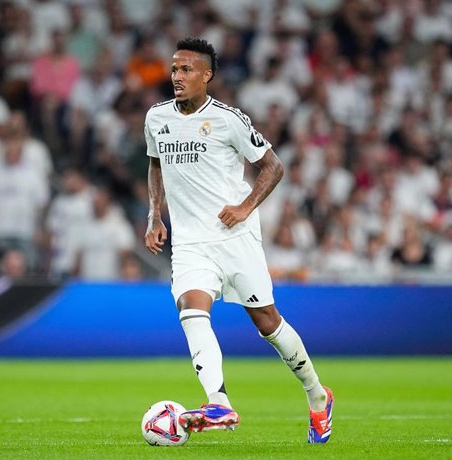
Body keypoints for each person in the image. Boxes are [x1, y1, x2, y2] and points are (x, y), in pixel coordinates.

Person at [144, 37, 333, 443]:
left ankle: (318, 396)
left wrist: (246, 206)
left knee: (267, 322)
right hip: (191, 242)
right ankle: (218, 401)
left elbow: (273, 166)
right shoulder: (156, 118)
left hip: (235, 236)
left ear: (207, 75)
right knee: (191, 311)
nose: (177, 76)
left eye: (187, 70)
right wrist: (154, 213)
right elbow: (156, 164)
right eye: (174, 69)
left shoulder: (229, 119)